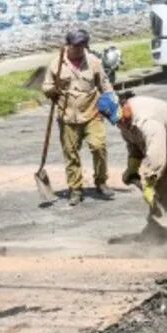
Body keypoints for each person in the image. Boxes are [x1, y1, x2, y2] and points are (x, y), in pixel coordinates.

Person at [97, 91, 167, 237]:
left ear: (124, 104)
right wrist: (132, 167)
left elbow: (156, 157)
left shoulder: (146, 120)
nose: (120, 122)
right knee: (161, 186)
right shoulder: (123, 121)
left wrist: (148, 182)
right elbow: (134, 145)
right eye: (116, 120)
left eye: (120, 117)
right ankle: (155, 228)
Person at [43, 28, 114, 206]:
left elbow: (106, 86)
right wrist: (55, 88)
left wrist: (112, 107)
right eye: (76, 46)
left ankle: (101, 181)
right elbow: (46, 88)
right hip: (68, 116)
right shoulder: (56, 64)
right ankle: (75, 189)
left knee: (99, 146)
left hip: (92, 112)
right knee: (71, 153)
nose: (80, 49)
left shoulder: (94, 62)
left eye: (83, 46)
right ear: (68, 45)